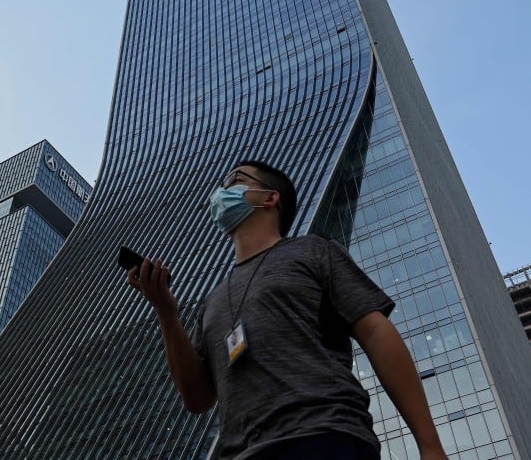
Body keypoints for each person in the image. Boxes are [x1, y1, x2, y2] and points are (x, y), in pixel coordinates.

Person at [128, 160, 448, 459]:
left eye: (236, 181)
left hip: (324, 435)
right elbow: (197, 398)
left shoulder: (313, 251)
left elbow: (376, 332)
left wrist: (429, 445)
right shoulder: (211, 303)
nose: (221, 194)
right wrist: (166, 313)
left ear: (270, 199)